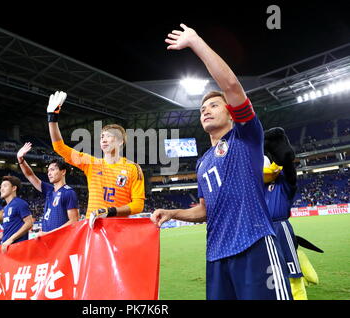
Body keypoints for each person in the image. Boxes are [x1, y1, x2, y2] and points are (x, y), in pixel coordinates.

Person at [151, 23, 292, 300]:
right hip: (216, 255)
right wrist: (172, 213)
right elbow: (204, 211)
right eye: (202, 109)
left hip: (254, 244)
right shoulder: (202, 163)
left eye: (214, 106)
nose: (206, 110)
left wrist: (196, 42)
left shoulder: (246, 136)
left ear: (230, 113)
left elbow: (230, 85)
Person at [46, 91, 145, 226]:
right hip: (93, 228)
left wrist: (109, 211)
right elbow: (60, 148)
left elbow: (138, 205)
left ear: (120, 141)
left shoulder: (134, 169)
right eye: (102, 137)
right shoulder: (91, 163)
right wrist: (52, 118)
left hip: (119, 229)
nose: (103, 139)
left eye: (108, 136)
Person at [263, 127, 309, 300]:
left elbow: (289, 171)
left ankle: (298, 294)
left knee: (291, 268)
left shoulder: (283, 182)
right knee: (270, 269)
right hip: (264, 230)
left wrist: (285, 157)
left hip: (281, 227)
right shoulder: (258, 186)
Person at [17, 146, 79, 234]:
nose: (49, 173)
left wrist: (49, 234)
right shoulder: (49, 190)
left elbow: (74, 221)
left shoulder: (69, 193)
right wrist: (20, 159)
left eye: (52, 170)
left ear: (63, 172)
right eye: (48, 170)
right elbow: (30, 175)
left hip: (59, 241)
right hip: (46, 240)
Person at [0, 176, 33, 253]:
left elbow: (29, 223)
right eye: (1, 187)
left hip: (18, 249)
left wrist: (10, 240)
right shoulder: (5, 208)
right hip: (7, 248)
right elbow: (8, 230)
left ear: (14, 188)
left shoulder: (20, 203)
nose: (2, 189)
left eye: (5, 186)